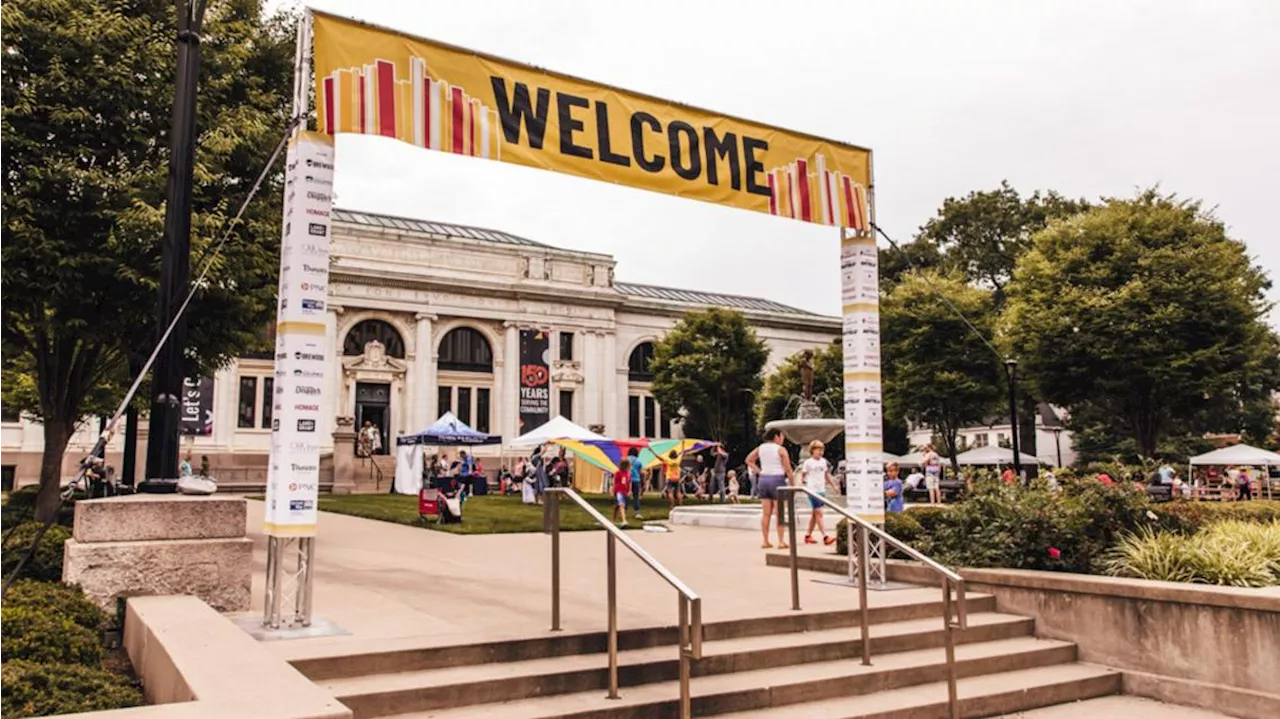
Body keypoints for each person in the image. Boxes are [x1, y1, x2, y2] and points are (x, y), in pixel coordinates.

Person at [746, 427, 795, 549]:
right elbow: (788, 468)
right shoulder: (781, 450)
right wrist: (793, 484)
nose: (782, 439)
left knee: (766, 513)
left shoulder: (760, 448)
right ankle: (781, 541)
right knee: (779, 513)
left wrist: (759, 471)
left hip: (764, 480)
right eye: (782, 437)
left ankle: (765, 540)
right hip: (777, 479)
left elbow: (748, 460)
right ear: (777, 437)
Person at [799, 440, 837, 545]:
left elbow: (826, 475)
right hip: (812, 490)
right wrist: (803, 483)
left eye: (822, 450)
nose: (820, 452)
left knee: (815, 514)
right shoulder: (808, 463)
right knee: (819, 513)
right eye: (818, 450)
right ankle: (825, 536)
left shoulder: (823, 462)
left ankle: (808, 535)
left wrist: (834, 485)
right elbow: (803, 474)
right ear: (812, 451)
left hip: (821, 490)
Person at [612, 457, 632, 525]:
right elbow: (614, 482)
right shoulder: (618, 473)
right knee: (622, 505)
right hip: (618, 491)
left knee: (617, 506)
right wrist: (612, 491)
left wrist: (629, 490)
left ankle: (613, 520)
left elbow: (629, 482)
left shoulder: (628, 474)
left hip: (624, 492)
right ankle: (624, 520)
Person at [628, 448, 645, 520]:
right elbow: (641, 473)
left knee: (624, 496)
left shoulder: (626, 460)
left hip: (627, 480)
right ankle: (637, 513)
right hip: (636, 480)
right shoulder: (639, 462)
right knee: (636, 496)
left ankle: (623, 511)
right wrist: (643, 483)